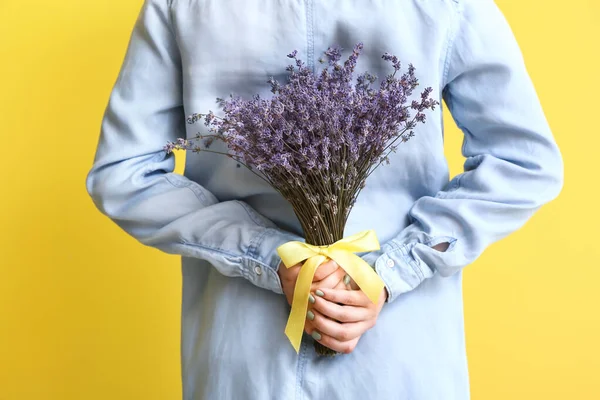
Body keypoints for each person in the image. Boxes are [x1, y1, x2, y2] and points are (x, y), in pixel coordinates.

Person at [85, 0, 564, 399]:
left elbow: (124, 174)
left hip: (244, 361)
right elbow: (525, 161)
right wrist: (388, 271)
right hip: (399, 358)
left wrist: (270, 256)